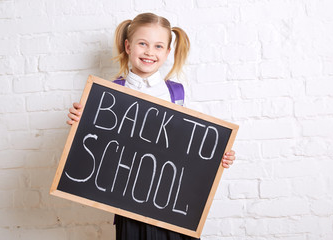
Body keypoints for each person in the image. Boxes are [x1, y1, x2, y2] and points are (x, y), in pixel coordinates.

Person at [67, 12, 235, 240]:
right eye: (142, 44)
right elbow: (95, 147)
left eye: (158, 46)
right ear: (128, 46)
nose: (149, 52)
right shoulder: (109, 94)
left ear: (167, 52)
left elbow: (195, 148)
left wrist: (219, 156)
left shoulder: (177, 94)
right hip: (129, 206)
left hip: (174, 207)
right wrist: (80, 122)